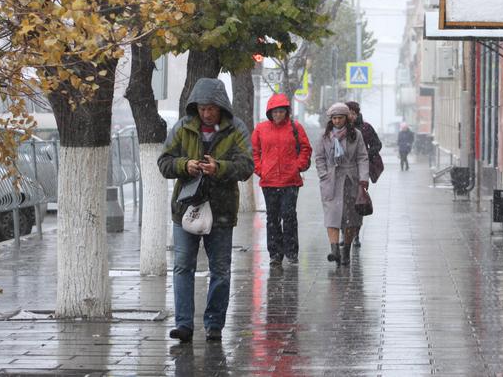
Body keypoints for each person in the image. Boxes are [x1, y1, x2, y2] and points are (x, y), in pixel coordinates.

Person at [158, 77, 254, 343]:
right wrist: (184, 165)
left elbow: (246, 166)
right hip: (186, 208)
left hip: (221, 210)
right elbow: (164, 162)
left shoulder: (236, 129)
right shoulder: (183, 127)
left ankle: (214, 325)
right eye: (202, 108)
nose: (206, 113)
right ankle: (184, 325)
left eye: (211, 108)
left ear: (221, 107)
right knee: (182, 267)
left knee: (220, 271)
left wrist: (219, 168)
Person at [251, 93, 312, 267]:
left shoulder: (295, 127)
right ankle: (275, 254)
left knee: (289, 216)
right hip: (269, 182)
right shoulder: (261, 129)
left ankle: (291, 252)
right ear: (270, 112)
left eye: (281, 111)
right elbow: (254, 152)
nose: (278, 115)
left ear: (286, 112)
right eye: (275, 112)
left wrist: (297, 166)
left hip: (290, 181)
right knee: (272, 218)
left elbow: (306, 148)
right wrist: (261, 170)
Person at [314, 102, 369, 266]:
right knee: (332, 216)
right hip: (330, 181)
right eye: (334, 118)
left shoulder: (356, 135)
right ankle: (334, 250)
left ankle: (346, 251)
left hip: (351, 180)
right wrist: (323, 175)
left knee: (350, 219)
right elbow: (319, 157)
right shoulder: (325, 136)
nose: (337, 121)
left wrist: (363, 179)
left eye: (340, 118)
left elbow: (362, 157)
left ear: (346, 118)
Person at [345, 101, 382, 247]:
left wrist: (366, 154)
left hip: (361, 171)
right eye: (348, 113)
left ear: (357, 113)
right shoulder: (340, 128)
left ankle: (356, 235)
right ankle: (345, 234)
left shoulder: (366, 128)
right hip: (344, 172)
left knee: (359, 203)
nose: (350, 116)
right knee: (344, 206)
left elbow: (377, 144)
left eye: (353, 113)